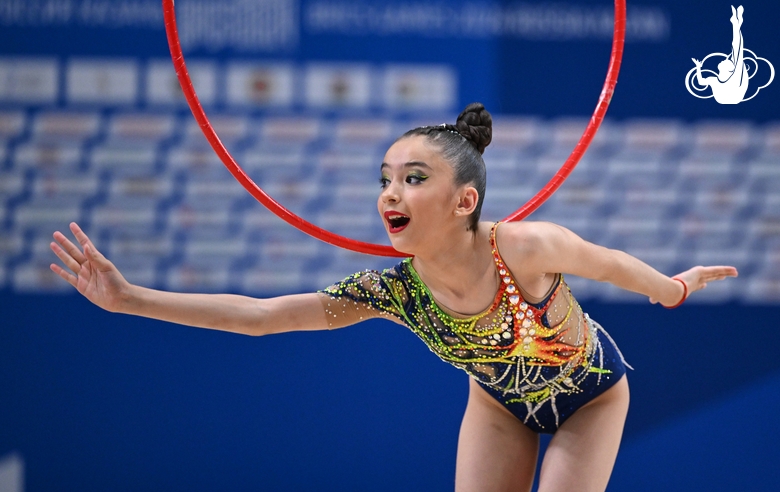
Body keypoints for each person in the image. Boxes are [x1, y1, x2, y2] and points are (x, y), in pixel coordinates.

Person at [50, 103, 737, 491]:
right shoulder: (390, 290)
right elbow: (263, 317)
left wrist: (672, 288)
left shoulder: (523, 248)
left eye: (413, 178)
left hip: (589, 398)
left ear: (464, 201)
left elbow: (610, 263)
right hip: (498, 406)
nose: (390, 193)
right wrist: (130, 298)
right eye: (385, 179)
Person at [692, 5, 748, 104]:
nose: (725, 59)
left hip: (734, 97)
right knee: (736, 50)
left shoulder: (735, 78)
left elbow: (738, 48)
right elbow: (701, 82)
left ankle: (736, 23)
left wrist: (736, 26)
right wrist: (698, 67)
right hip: (726, 99)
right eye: (727, 60)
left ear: (730, 69)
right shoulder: (713, 80)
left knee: (737, 50)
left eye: (728, 62)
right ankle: (736, 23)